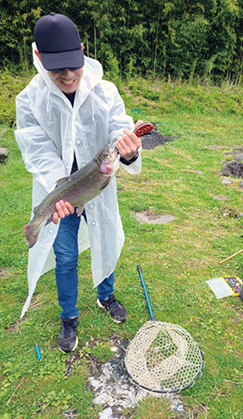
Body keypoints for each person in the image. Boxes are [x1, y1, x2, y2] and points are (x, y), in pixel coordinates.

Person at [14, 13, 143, 353]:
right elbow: (38, 152)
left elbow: (119, 128)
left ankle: (106, 295)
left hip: (97, 188)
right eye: (58, 69)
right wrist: (59, 192)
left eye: (74, 64)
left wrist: (127, 151)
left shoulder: (105, 90)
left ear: (82, 51)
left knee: (106, 239)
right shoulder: (29, 100)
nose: (68, 75)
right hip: (61, 196)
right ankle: (69, 316)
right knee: (66, 255)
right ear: (39, 58)